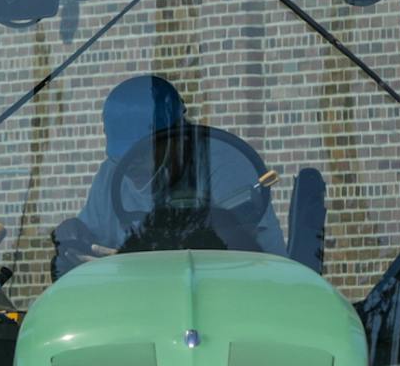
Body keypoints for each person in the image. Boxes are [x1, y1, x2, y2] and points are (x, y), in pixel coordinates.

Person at [61, 75, 286, 270]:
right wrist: (75, 237)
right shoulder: (112, 174)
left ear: (176, 134)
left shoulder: (223, 165)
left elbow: (234, 253)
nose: (130, 163)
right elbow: (94, 239)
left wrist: (136, 261)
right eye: (123, 154)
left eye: (142, 151)